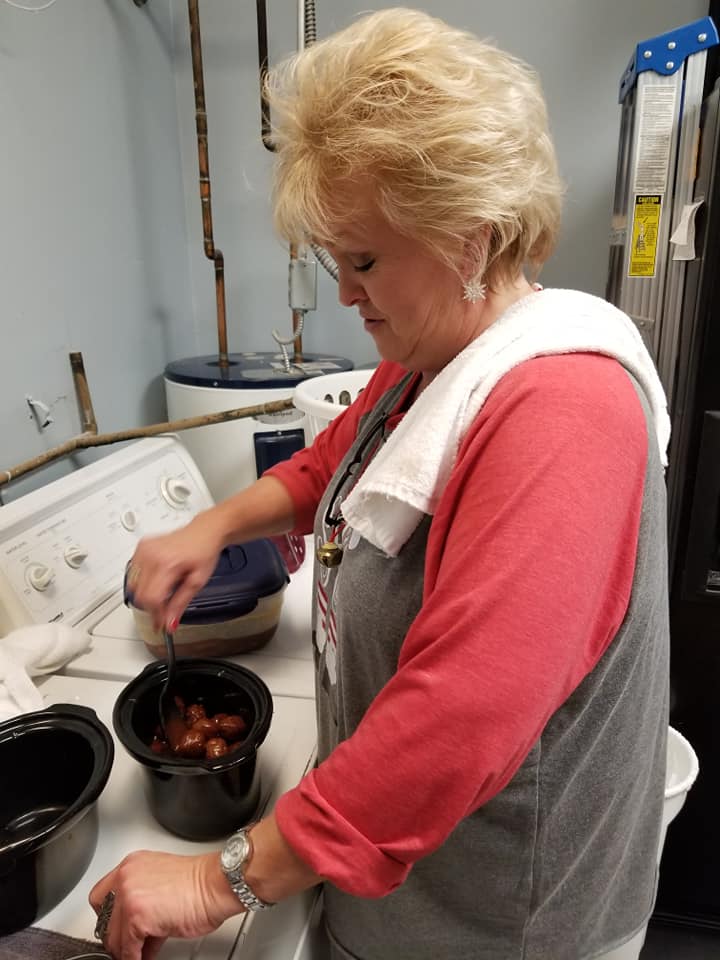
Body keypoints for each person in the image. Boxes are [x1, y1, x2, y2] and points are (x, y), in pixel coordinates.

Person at [90, 8, 670, 959]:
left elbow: (457, 722)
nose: (345, 293)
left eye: (363, 260)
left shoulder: (566, 411)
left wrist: (209, 880)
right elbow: (336, 464)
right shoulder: (432, 358)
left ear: (471, 236)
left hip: (495, 924)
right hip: (400, 884)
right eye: (335, 260)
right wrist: (213, 527)